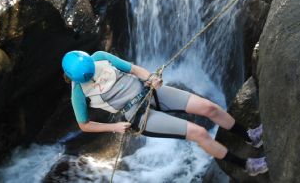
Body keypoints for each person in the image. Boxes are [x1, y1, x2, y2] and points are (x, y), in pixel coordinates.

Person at [62, 50, 268, 176]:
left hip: (149, 92)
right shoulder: (78, 93)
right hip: (138, 117)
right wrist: (114, 127)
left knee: (209, 107)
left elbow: (134, 69)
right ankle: (248, 165)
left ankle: (250, 136)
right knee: (200, 133)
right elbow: (84, 124)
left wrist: (150, 77)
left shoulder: (100, 58)